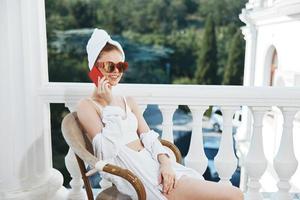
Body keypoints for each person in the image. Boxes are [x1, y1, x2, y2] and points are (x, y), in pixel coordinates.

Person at [77, 28, 244, 200]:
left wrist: (166, 163)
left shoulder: (128, 101)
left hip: (156, 164)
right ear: (94, 68)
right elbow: (107, 152)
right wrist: (109, 103)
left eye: (121, 66)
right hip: (137, 175)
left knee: (230, 194)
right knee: (235, 195)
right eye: (109, 66)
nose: (116, 72)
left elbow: (148, 137)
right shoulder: (87, 106)